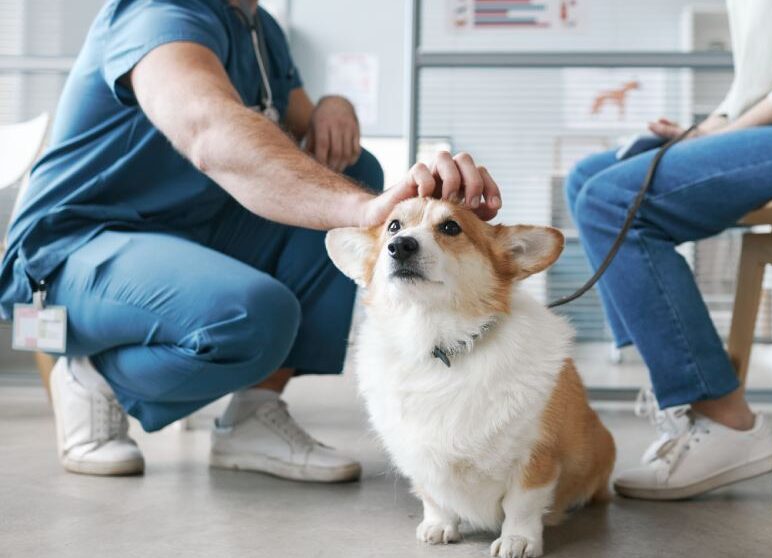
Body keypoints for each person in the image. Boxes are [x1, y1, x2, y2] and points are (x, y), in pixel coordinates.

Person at [0, 0, 501, 480]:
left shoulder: (258, 27)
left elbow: (301, 119)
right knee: (255, 314)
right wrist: (367, 211)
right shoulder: (159, 12)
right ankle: (94, 375)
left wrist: (335, 105)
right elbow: (208, 129)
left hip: (189, 233)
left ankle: (253, 414)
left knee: (353, 168)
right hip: (77, 245)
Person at [566, 0, 772, 500]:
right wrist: (708, 128)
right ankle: (679, 399)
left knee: (613, 201)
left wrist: (733, 132)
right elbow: (764, 78)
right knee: (587, 178)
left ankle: (725, 420)